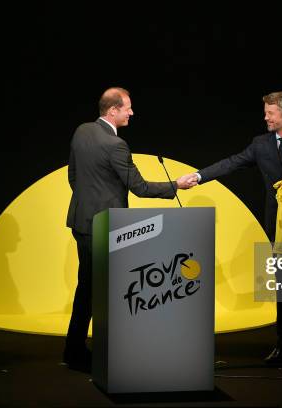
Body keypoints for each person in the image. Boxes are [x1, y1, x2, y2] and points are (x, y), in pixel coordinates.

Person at [185, 91, 282, 365]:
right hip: (277, 228)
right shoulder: (260, 144)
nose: (265, 117)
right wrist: (198, 176)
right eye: (265, 112)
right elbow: (231, 162)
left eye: (270, 113)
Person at [64, 87, 197, 370]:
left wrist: (91, 202)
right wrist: (177, 185)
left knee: (88, 287)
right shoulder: (116, 145)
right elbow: (140, 188)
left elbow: (73, 177)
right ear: (113, 110)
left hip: (81, 221)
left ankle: (74, 350)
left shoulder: (82, 131)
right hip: (103, 226)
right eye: (128, 108)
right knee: (99, 290)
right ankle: (89, 353)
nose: (132, 112)